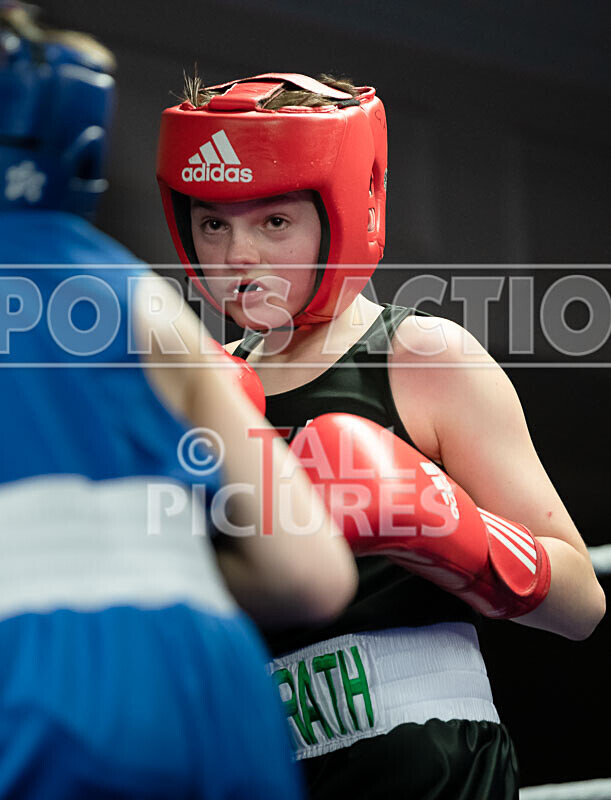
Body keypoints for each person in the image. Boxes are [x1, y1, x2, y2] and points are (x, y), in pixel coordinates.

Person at [156, 72, 606, 798]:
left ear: (345, 208)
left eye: (273, 222)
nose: (238, 256)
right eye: (214, 223)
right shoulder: (201, 390)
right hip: (251, 764)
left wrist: (448, 532)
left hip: (429, 760)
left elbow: (582, 603)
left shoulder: (423, 357)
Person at [0, 11, 357, 798]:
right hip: (210, 685)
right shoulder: (139, 296)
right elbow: (312, 575)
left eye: (273, 221)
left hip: (22, 691)